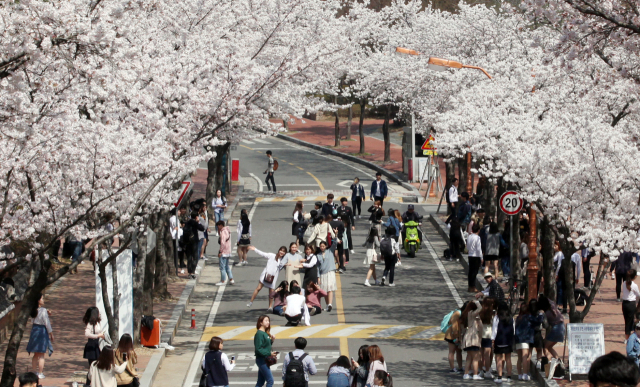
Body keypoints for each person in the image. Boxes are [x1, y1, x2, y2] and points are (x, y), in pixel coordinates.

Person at [26, 293, 53, 380]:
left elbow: (33, 320)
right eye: (42, 298)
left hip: (34, 330)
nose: (43, 300)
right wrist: (51, 333)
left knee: (35, 354)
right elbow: (47, 323)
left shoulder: (33, 310)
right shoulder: (43, 310)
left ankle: (34, 371)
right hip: (42, 331)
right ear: (38, 300)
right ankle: (40, 373)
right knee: (41, 354)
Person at [514, 303, 543, 381]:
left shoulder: (518, 318)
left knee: (519, 358)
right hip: (525, 338)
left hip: (517, 339)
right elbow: (538, 321)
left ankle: (519, 374)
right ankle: (525, 374)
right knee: (525, 356)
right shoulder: (529, 317)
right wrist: (541, 314)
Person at [492, 301, 514, 384]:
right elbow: (513, 329)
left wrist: (493, 340)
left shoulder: (497, 318)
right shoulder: (511, 317)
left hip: (499, 340)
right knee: (508, 359)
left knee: (499, 358)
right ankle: (509, 377)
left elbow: (494, 330)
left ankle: (499, 376)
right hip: (508, 340)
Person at [461, 300, 482, 380]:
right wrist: (477, 302)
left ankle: (466, 374)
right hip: (473, 338)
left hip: (468, 337)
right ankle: (475, 374)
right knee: (475, 358)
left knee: (469, 357)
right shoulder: (473, 314)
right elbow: (480, 308)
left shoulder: (468, 313)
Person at [538, 295, 564, 360]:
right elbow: (549, 300)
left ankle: (548, 362)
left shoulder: (547, 313)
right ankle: (558, 360)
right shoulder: (553, 307)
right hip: (562, 328)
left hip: (556, 329)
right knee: (549, 347)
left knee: (545, 347)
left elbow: (545, 325)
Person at [83, 306, 104, 385]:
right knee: (92, 366)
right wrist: (97, 336)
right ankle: (88, 383)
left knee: (99, 366)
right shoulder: (90, 324)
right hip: (92, 345)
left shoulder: (98, 322)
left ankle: (97, 382)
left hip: (98, 345)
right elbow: (87, 334)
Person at [445, 302, 467, 374]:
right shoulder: (457, 313)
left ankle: (460, 367)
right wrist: (456, 337)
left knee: (459, 351)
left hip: (457, 335)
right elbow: (454, 326)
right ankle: (452, 368)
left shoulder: (461, 313)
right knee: (452, 351)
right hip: (451, 335)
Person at [254, 315, 277, 387]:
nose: (268, 322)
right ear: (261, 322)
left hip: (264, 359)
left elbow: (265, 345)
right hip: (262, 360)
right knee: (270, 381)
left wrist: (272, 340)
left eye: (268, 321)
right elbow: (258, 349)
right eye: (266, 321)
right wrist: (269, 353)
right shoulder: (259, 334)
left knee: (260, 382)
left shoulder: (265, 333)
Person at [478, 297, 495, 379]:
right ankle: (487, 371)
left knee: (480, 354)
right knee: (487, 354)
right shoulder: (492, 313)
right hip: (488, 335)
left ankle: (480, 371)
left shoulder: (480, 312)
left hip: (481, 335)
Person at [184, 212, 205, 279]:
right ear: (196, 217)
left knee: (189, 258)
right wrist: (198, 222)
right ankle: (192, 272)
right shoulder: (195, 223)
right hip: (194, 242)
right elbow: (202, 228)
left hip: (187, 242)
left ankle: (189, 272)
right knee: (195, 257)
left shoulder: (187, 222)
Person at [317, 241, 337, 311]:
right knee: (324, 290)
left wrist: (336, 235)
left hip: (330, 272)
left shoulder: (330, 251)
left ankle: (330, 304)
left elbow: (335, 243)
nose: (322, 247)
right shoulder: (318, 255)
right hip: (323, 274)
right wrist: (318, 276)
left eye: (323, 246)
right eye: (321, 246)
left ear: (326, 246)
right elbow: (317, 267)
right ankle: (327, 305)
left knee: (330, 289)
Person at [622, 269, 640, 340]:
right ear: (635, 276)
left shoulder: (624, 283)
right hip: (631, 304)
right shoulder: (634, 285)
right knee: (630, 321)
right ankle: (628, 338)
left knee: (627, 321)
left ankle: (627, 337)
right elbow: (638, 295)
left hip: (624, 304)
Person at [216, 220, 234, 286]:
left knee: (222, 267)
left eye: (218, 226)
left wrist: (220, 251)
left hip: (224, 252)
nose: (218, 227)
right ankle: (231, 279)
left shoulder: (223, 232)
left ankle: (223, 280)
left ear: (221, 225)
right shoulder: (228, 231)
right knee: (227, 266)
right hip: (228, 251)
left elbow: (222, 243)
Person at [467, 224, 483, 293]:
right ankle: (473, 286)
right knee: (474, 272)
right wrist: (481, 257)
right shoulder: (477, 238)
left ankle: (470, 286)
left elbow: (467, 246)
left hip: (470, 255)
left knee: (470, 271)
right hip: (476, 256)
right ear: (478, 230)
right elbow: (479, 249)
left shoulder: (469, 236)